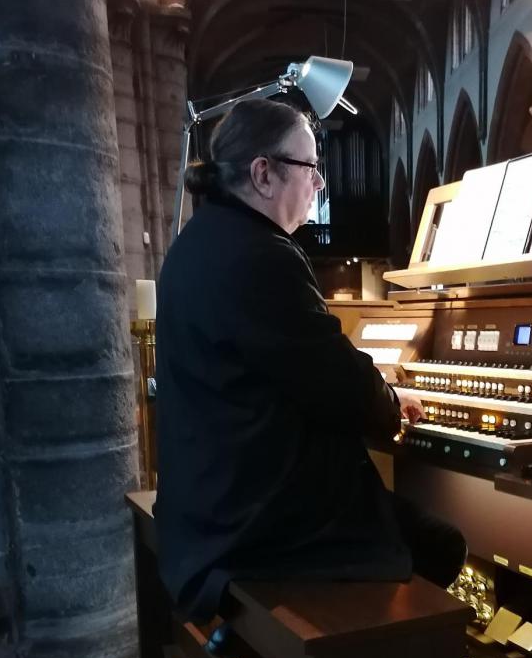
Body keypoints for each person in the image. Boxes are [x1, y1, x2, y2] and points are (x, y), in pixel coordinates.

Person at [154, 97, 466, 623]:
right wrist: (391, 400)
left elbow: (306, 364)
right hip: (254, 526)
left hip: (209, 504)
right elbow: (345, 391)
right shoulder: (260, 255)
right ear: (263, 174)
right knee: (443, 543)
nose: (320, 184)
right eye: (311, 168)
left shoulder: (198, 241)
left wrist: (372, 386)